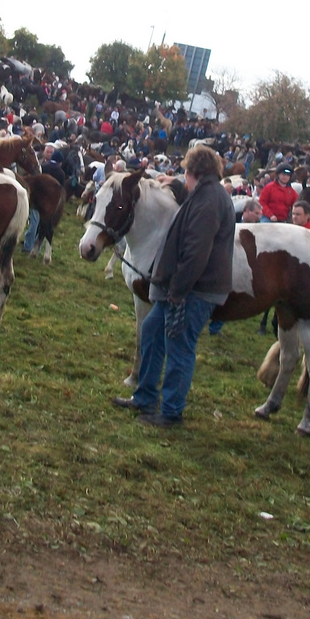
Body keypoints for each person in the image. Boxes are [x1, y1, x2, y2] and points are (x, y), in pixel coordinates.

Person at [112, 144, 235, 427]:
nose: (183, 177)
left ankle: (171, 412)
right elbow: (190, 201)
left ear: (194, 171)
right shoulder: (206, 194)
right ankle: (144, 397)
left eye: (185, 172)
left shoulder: (208, 200)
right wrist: (177, 185)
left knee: (179, 348)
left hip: (193, 291)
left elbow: (196, 253)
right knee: (153, 331)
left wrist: (177, 291)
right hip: (180, 290)